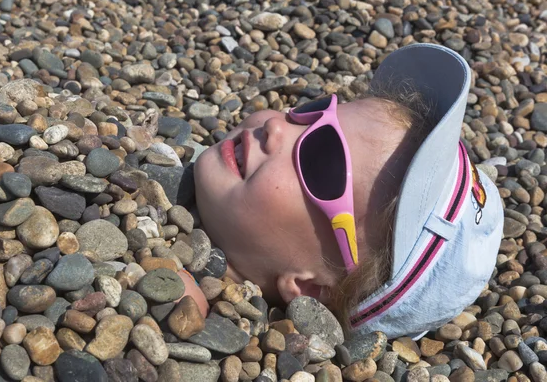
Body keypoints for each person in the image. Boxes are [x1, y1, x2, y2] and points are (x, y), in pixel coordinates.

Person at [187, 43, 504, 339]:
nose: (277, 126)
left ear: (310, 290)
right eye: (314, 111)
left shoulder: (179, 312)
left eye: (321, 159)